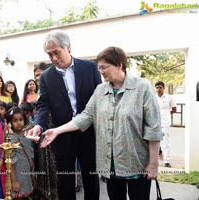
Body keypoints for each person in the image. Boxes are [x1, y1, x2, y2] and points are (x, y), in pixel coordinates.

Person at [40, 46, 163, 200]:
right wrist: (57, 130)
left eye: (104, 67)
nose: (101, 72)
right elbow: (85, 116)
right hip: (109, 165)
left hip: (136, 164)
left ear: (119, 64)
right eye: (99, 68)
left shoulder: (142, 87)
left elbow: (153, 128)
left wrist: (153, 163)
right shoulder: (100, 90)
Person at [28, 29, 101, 200]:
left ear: (68, 47)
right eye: (49, 54)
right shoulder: (46, 76)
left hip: (88, 132)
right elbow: (43, 104)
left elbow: (100, 98)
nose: (53, 58)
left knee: (91, 177)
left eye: (56, 52)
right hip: (61, 135)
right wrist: (38, 124)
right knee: (64, 181)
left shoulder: (90, 68)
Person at [5, 106, 34, 199]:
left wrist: (32, 169)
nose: (18, 123)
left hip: (26, 172)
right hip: (17, 175)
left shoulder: (25, 135)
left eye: (21, 119)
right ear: (10, 122)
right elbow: (10, 161)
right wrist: (14, 181)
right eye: (15, 120)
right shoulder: (11, 137)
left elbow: (29, 153)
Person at [155, 81, 177, 168]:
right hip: (155, 124)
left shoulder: (169, 98)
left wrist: (167, 115)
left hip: (165, 124)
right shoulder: (153, 97)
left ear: (164, 88)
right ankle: (154, 160)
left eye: (160, 87)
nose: (158, 89)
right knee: (153, 142)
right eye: (157, 88)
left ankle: (166, 161)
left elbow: (174, 109)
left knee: (166, 143)